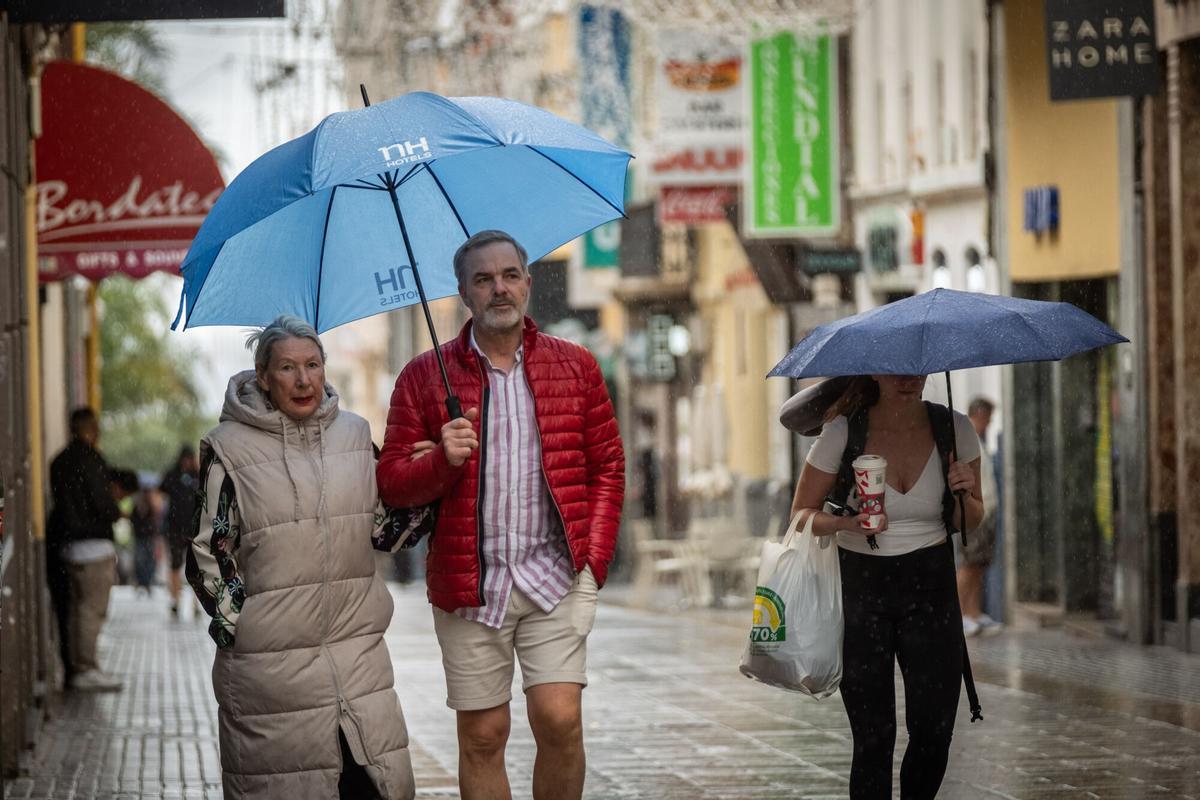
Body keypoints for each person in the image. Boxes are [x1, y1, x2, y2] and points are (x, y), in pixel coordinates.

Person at [377, 230, 625, 800]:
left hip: (555, 576)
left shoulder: (576, 366)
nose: (499, 289)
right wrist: (441, 460)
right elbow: (392, 482)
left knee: (559, 719)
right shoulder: (424, 376)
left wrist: (593, 562)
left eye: (510, 275)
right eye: (484, 279)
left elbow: (607, 466)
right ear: (464, 292)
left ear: (528, 283)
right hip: (470, 583)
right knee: (483, 736)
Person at [186, 315, 415, 799]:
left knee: (373, 786)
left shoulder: (356, 437)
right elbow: (208, 551)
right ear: (263, 376)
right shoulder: (229, 450)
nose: (304, 379)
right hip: (271, 677)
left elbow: (386, 531)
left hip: (358, 666)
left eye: (313, 364)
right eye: (288, 367)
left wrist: (430, 471)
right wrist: (243, 629)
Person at [789, 374, 984, 800]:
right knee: (873, 737)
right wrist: (844, 523)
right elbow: (800, 516)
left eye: (916, 367)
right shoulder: (843, 432)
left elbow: (970, 521)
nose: (908, 378)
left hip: (931, 588)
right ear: (875, 370)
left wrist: (965, 495)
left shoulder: (955, 429)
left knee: (934, 733)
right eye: (896, 366)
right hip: (861, 587)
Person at [46, 407, 129, 692]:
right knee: (91, 610)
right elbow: (102, 502)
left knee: (75, 610)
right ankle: (85, 668)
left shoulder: (59, 462)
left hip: (68, 545)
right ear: (92, 429)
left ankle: (75, 666)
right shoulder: (91, 460)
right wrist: (116, 511)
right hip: (94, 545)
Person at [958, 396, 1002, 637]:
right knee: (969, 565)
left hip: (987, 512)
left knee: (978, 566)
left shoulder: (978, 441)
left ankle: (973, 612)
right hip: (975, 514)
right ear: (979, 415)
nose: (990, 423)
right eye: (988, 418)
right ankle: (959, 614)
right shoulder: (967, 441)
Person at [159, 445, 198, 617]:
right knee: (175, 565)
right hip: (175, 528)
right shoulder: (172, 476)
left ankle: (196, 603)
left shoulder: (198, 476)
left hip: (193, 529)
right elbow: (160, 493)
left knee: (196, 567)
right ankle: (175, 599)